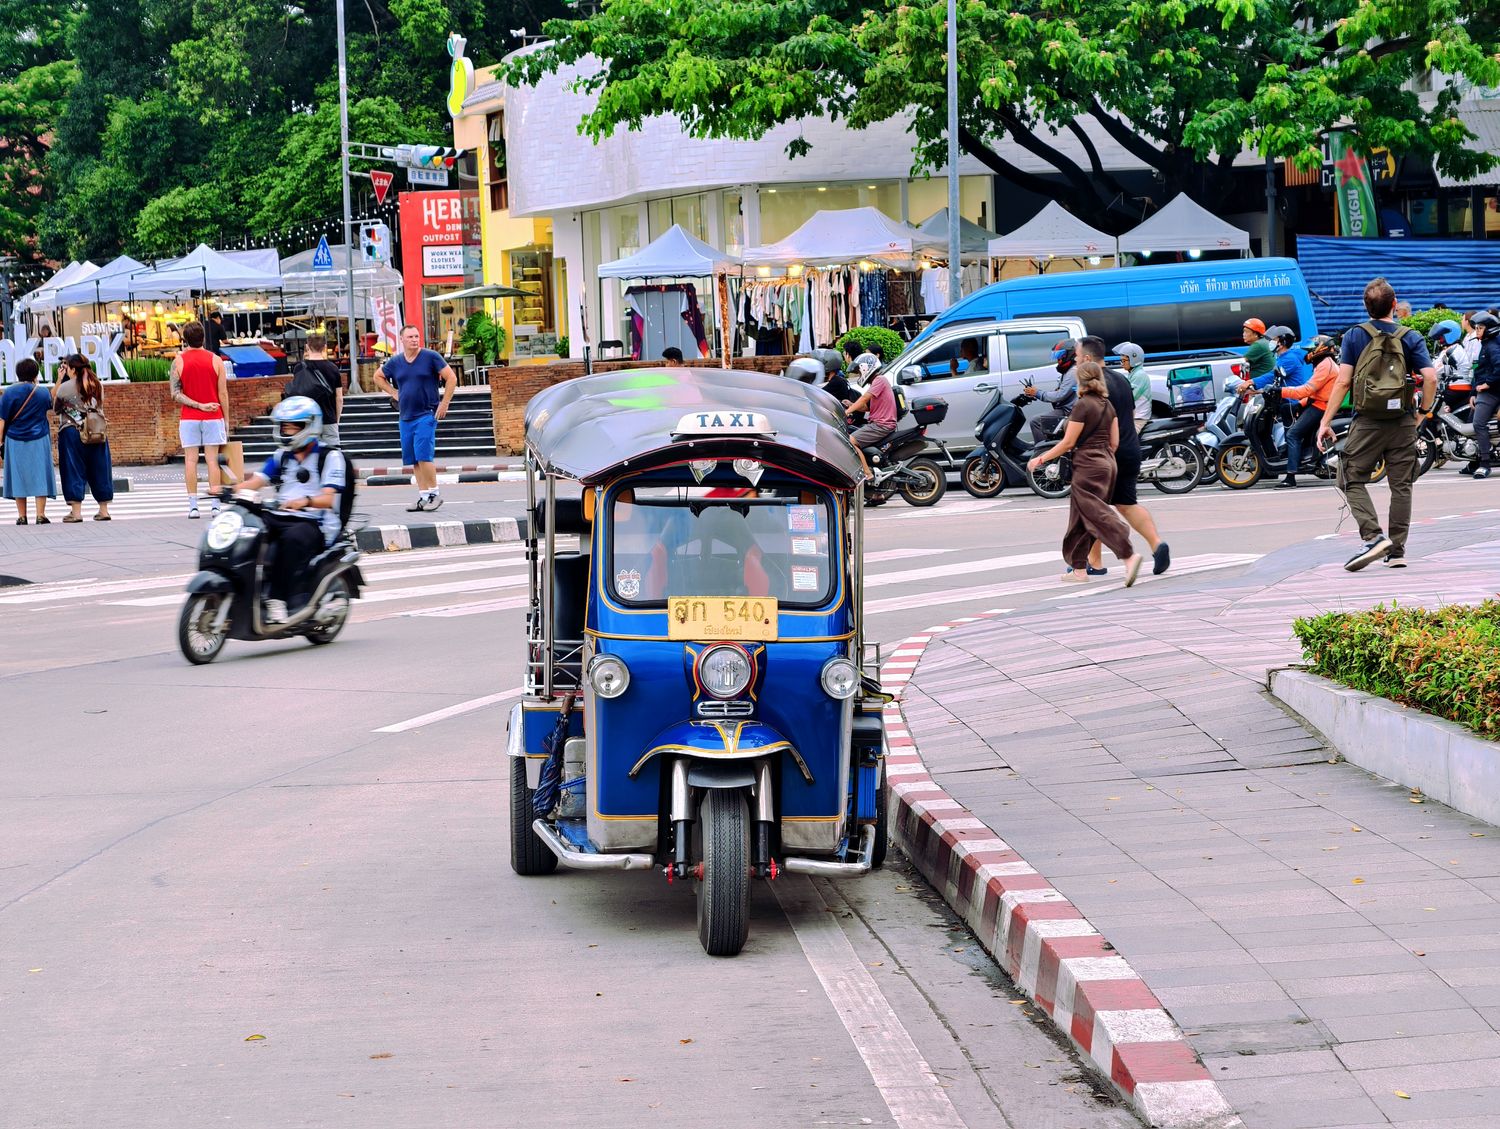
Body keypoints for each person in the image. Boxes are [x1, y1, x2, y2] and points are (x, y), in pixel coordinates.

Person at [1316, 278, 1437, 570]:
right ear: (1394, 305)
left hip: (1367, 420)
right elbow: (1430, 378)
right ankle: (1396, 552)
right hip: (1403, 420)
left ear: (1365, 306)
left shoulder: (1355, 336)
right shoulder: (1410, 336)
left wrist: (1325, 421)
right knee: (1401, 484)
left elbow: (1343, 381)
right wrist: (1422, 412)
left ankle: (1372, 536)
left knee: (1348, 477)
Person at [1027, 361, 1143, 586]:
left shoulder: (1082, 406)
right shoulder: (1107, 405)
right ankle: (1079, 569)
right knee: (1080, 517)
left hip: (1088, 465)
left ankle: (1128, 555)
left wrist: (1041, 459)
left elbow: (1068, 442)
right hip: (1107, 463)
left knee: (1095, 512)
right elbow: (1115, 442)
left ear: (1080, 381)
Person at [236, 396, 348, 623]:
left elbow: (328, 499)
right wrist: (226, 490)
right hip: (280, 515)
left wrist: (304, 501)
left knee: (292, 539)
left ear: (310, 426)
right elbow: (256, 481)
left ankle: (278, 600)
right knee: (247, 527)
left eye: (293, 426)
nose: (287, 431)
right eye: (284, 426)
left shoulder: (330, 457)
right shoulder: (282, 456)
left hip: (313, 521)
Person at [1079, 336, 1171, 576]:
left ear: (1087, 359)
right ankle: (1157, 544)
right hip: (1130, 448)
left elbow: (1096, 420)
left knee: (1094, 507)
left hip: (1107, 452)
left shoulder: (1093, 384)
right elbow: (1128, 413)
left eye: (1078, 357)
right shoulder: (1121, 379)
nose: (1076, 361)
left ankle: (1098, 562)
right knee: (1127, 504)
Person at [373, 324, 457, 512]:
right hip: (406, 416)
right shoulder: (395, 362)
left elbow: (451, 378)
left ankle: (434, 494)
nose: (414, 339)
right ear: (401, 339)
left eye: (417, 336)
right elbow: (378, 377)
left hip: (427, 414)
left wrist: (445, 403)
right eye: (410, 337)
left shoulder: (430, 357)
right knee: (414, 459)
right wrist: (394, 392)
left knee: (424, 455)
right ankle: (423, 496)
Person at [170, 321, 230, 519]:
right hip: (214, 415)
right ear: (203, 338)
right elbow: (223, 393)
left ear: (185, 339)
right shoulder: (216, 360)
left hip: (189, 417)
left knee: (190, 460)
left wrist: (196, 405)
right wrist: (226, 419)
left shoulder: (178, 361)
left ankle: (193, 506)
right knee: (212, 460)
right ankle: (215, 504)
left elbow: (175, 393)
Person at [54, 354, 114, 522]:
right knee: (100, 468)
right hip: (97, 430)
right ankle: (104, 510)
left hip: (72, 431)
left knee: (73, 469)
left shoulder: (65, 387)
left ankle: (76, 512)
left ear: (73, 369)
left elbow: (56, 408)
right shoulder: (97, 384)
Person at [1277, 335, 1340, 488]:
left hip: (1321, 407)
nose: (1309, 353)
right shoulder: (1322, 363)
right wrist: (1300, 404)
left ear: (1321, 349)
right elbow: (1315, 391)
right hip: (1316, 403)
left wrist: (1281, 392)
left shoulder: (1326, 365)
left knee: (1293, 434)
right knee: (1287, 409)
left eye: (1311, 349)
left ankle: (1291, 476)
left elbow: (1307, 389)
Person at [0, 357, 56, 524]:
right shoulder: (42, 391)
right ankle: (40, 515)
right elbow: (50, 404)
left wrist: (0, 443)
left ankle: (22, 516)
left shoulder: (9, 392)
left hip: (14, 439)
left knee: (18, 476)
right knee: (40, 475)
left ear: (17, 374)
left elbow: (2, 421)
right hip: (39, 438)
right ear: (36, 373)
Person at [284, 334, 345, 446]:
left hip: (307, 420)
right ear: (325, 347)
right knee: (332, 456)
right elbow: (339, 398)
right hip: (328, 419)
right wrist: (335, 419)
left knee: (309, 455)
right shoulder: (333, 368)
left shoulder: (299, 368)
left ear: (307, 347)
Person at [843, 362, 899, 479]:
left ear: (865, 370)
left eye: (859, 373)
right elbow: (867, 407)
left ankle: (867, 473)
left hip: (881, 425)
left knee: (850, 441)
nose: (859, 376)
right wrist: (851, 405)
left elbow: (864, 399)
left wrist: (847, 412)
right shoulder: (877, 382)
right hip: (880, 423)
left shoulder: (880, 380)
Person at [1466, 311, 1500, 477]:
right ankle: (1472, 461)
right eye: (1476, 328)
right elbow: (1478, 371)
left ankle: (1485, 464)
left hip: (1493, 392)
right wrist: (1473, 392)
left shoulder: (1493, 346)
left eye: (1480, 328)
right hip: (1486, 390)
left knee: (1478, 423)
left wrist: (1486, 384)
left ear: (1489, 329)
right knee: (1470, 421)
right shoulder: (1486, 344)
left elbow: (1499, 369)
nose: (1477, 331)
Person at [1026, 339, 1080, 442]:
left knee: (1036, 421)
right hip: (1065, 410)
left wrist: (1037, 393)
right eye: (1057, 356)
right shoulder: (1069, 371)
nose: (1058, 360)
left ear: (1069, 354)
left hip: (1067, 412)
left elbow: (1059, 396)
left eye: (1060, 356)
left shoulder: (1073, 372)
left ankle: (1042, 453)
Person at [1112, 341, 1152, 432]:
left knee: (1126, 440)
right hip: (1133, 416)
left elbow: (1130, 397)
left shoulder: (1139, 375)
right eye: (1121, 360)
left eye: (1124, 360)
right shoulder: (1133, 374)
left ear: (1134, 359)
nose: (1122, 363)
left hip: (1138, 418)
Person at [1236, 318, 1276, 391]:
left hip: (1259, 386)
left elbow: (1240, 362)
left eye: (1246, 332)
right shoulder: (1263, 342)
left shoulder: (1258, 345)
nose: (1243, 334)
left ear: (1255, 334)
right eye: (1243, 332)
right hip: (1264, 383)